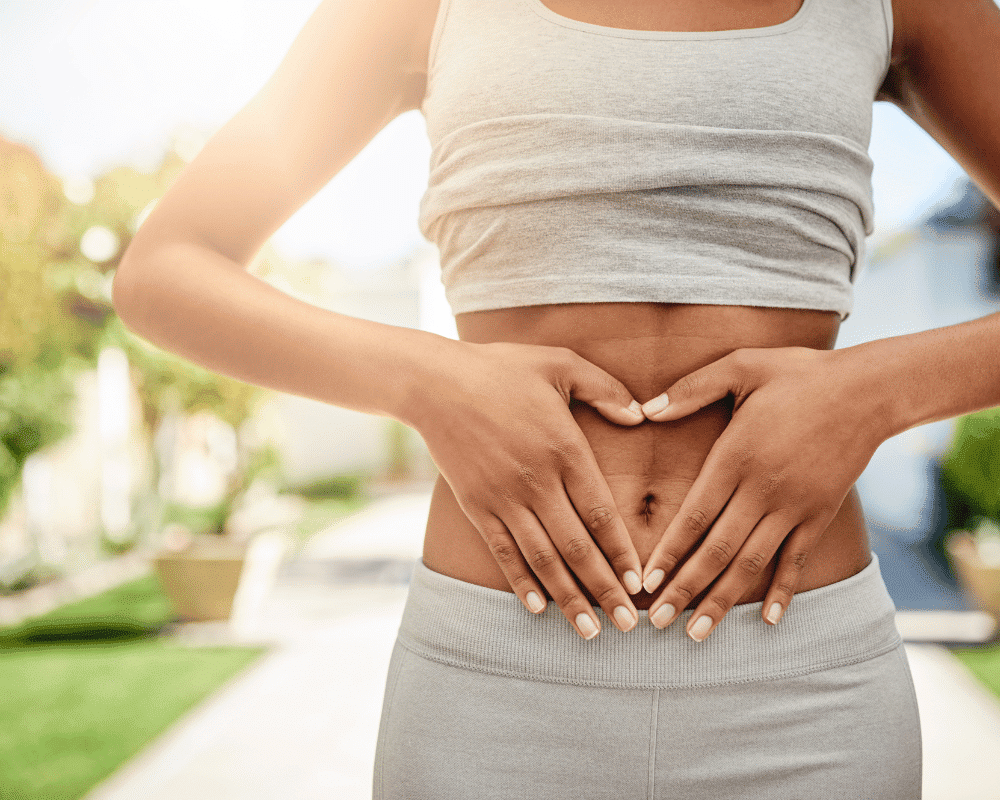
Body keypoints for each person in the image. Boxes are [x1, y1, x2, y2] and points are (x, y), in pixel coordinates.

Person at [111, 0, 1000, 796]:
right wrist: (427, 383)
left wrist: (878, 392)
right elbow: (167, 269)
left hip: (805, 690)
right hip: (496, 688)